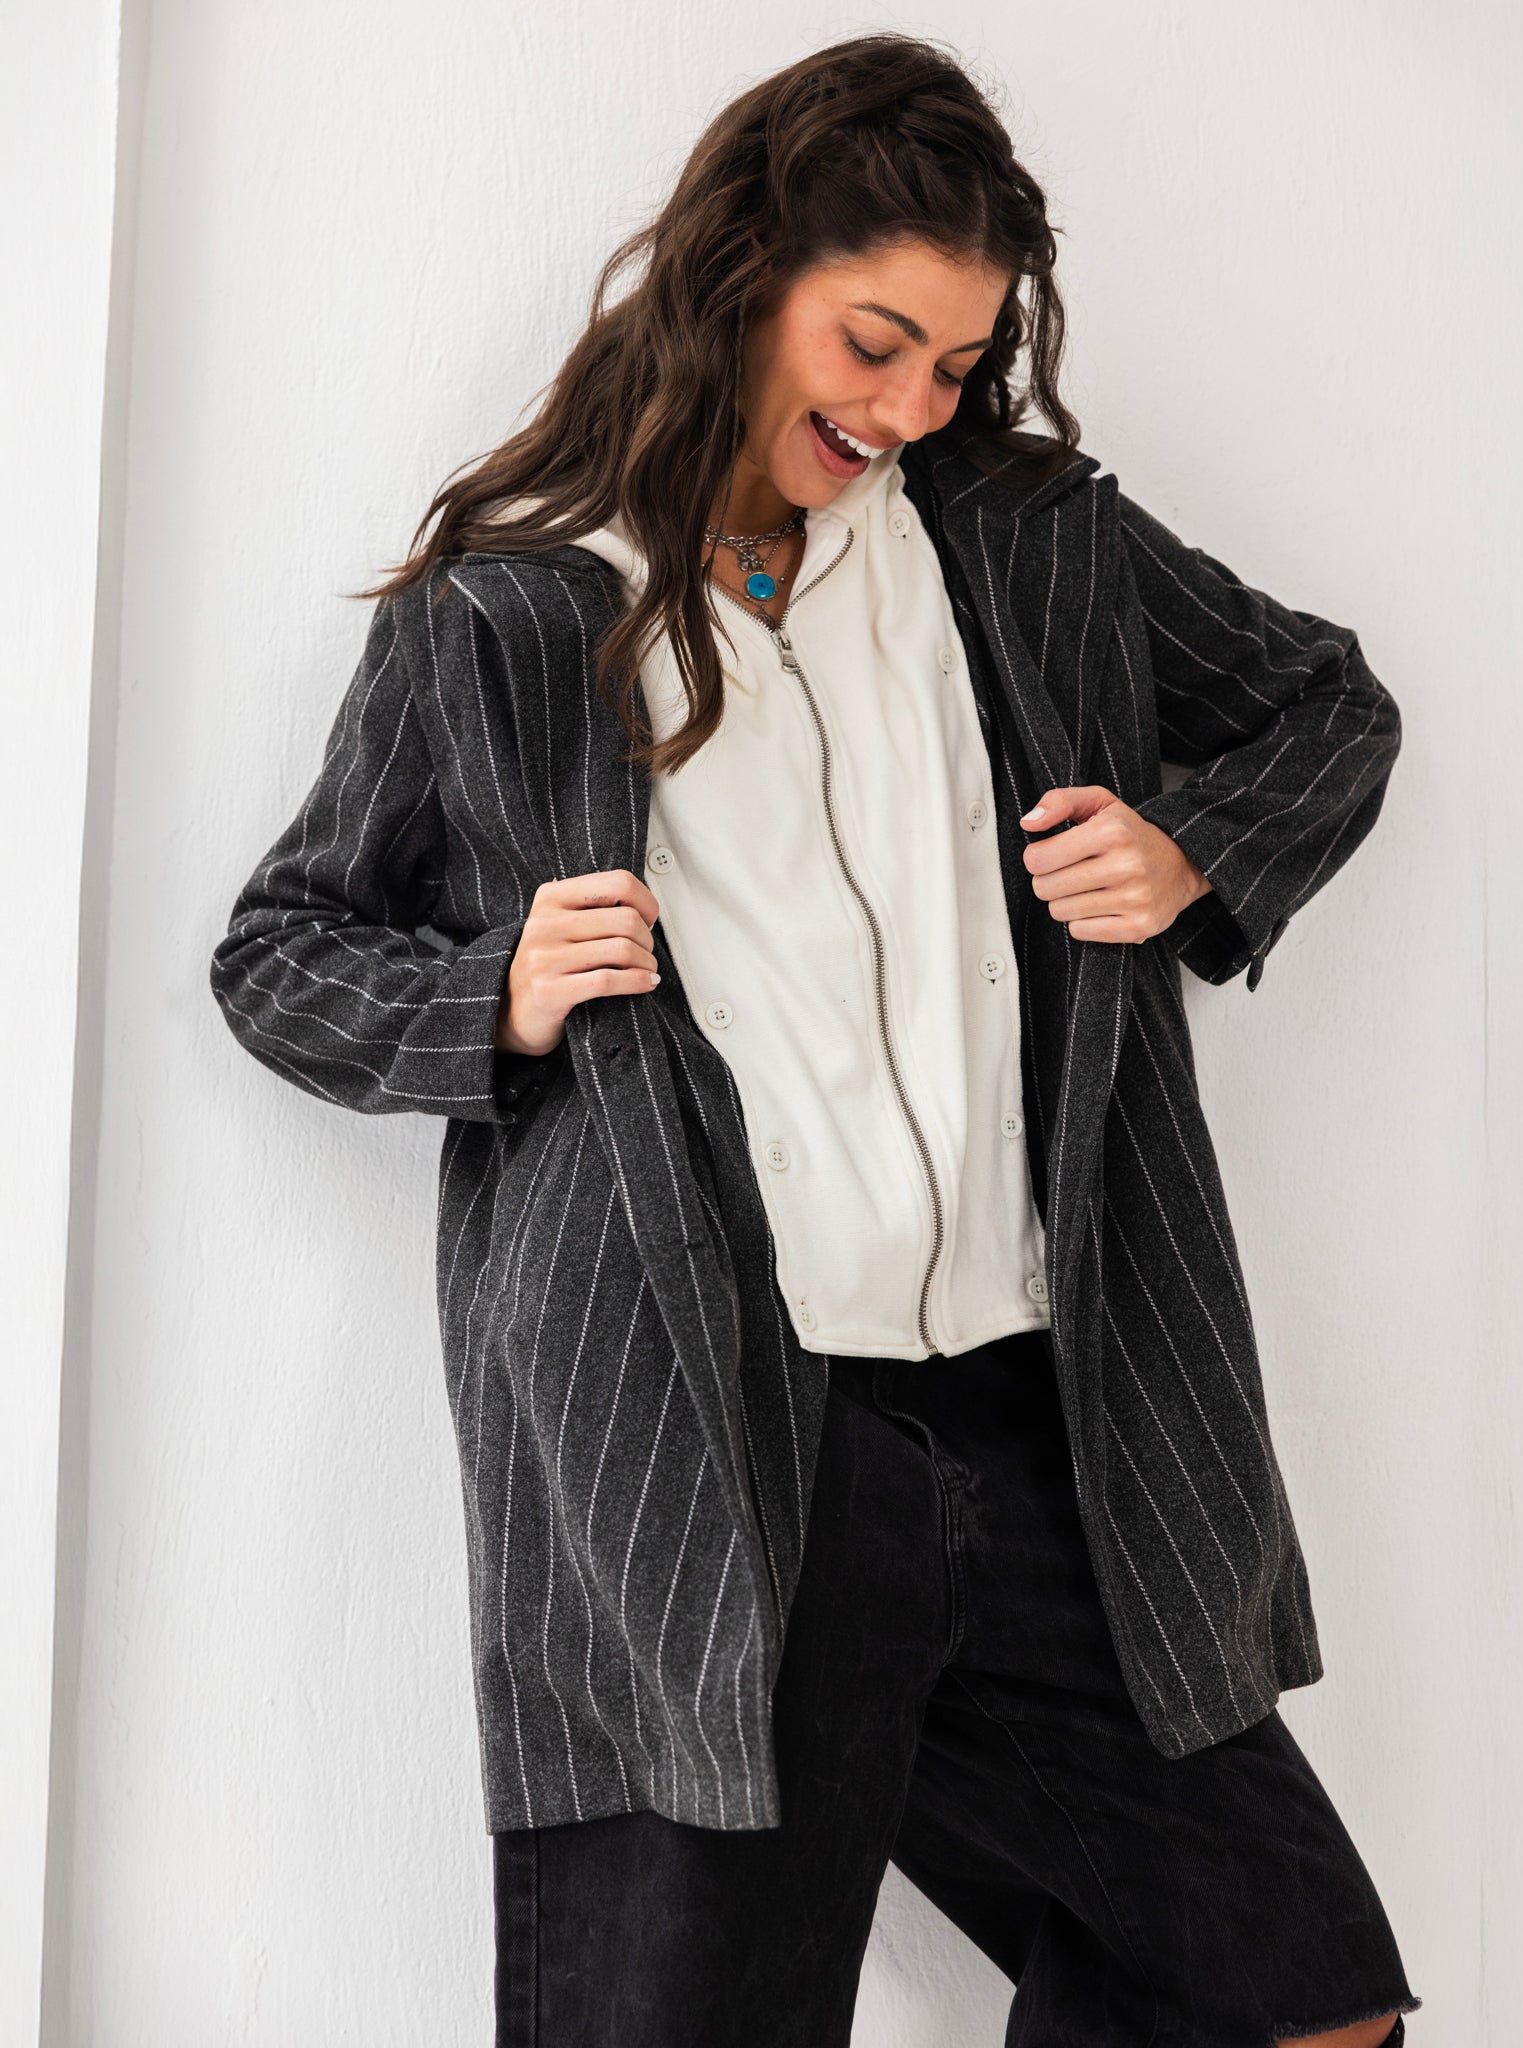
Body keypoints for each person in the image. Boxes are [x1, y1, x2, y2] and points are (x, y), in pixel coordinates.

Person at [209, 32, 1422, 2048]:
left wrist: (1191, 849)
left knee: (1299, 2000)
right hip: (716, 1448)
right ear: (743, 273)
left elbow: (1327, 703)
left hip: (1048, 1423)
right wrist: (488, 994)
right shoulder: (512, 618)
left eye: (956, 363)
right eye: (875, 344)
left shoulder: (1020, 546)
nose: (910, 407)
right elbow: (279, 953)